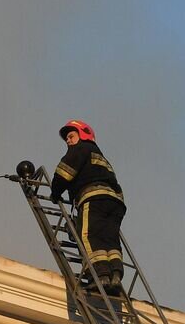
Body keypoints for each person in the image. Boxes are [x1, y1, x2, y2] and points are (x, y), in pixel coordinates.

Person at [49, 119, 127, 292]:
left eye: (70, 136)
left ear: (83, 135)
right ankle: (115, 275)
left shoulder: (80, 149)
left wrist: (55, 193)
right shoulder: (101, 157)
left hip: (93, 198)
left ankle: (99, 276)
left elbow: (64, 172)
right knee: (109, 239)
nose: (68, 141)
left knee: (88, 235)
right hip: (115, 203)